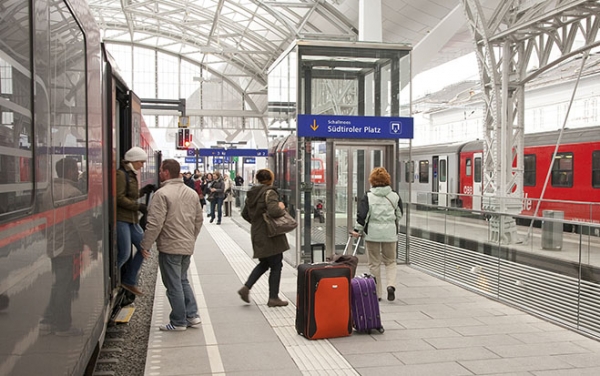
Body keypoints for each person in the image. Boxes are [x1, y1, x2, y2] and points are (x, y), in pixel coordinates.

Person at [140, 159, 204, 331]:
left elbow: (154, 223)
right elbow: (199, 220)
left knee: (173, 284)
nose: (159, 173)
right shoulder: (191, 193)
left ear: (167, 172)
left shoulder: (162, 194)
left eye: (161, 170)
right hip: (186, 245)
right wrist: (192, 238)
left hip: (170, 246)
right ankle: (192, 315)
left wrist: (145, 245)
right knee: (182, 280)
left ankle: (178, 321)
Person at [41, 157, 96, 336]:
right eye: (76, 169)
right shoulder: (73, 193)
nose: (77, 172)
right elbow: (82, 224)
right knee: (65, 286)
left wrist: (49, 237)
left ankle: (49, 320)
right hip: (68, 246)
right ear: (71, 171)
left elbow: (43, 221)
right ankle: (62, 326)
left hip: (54, 244)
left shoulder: (48, 191)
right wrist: (93, 244)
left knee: (59, 283)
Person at [237, 168, 289, 307]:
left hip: (258, 233)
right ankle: (273, 298)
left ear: (257, 179)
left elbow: (245, 214)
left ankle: (246, 288)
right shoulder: (269, 192)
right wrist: (281, 206)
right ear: (270, 178)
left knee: (265, 263)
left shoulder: (252, 193)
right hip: (270, 235)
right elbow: (274, 211)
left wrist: (257, 223)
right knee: (276, 264)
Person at [351, 167, 403, 301]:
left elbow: (363, 216)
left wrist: (357, 231)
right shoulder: (394, 196)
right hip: (390, 234)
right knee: (390, 262)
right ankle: (391, 285)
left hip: (373, 234)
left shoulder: (368, 196)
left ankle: (377, 294)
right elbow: (399, 214)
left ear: (372, 180)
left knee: (374, 263)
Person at [117, 146, 155, 296]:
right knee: (125, 253)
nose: (142, 166)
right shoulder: (121, 175)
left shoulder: (131, 175)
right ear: (133, 161)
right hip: (122, 218)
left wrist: (143, 191)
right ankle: (111, 279)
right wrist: (138, 206)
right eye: (141, 162)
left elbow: (130, 195)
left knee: (144, 247)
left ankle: (129, 280)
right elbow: (119, 198)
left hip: (131, 219)